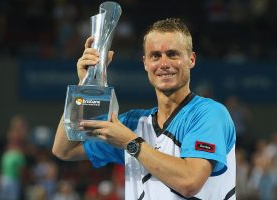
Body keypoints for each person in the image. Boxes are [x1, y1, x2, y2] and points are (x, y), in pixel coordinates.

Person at [52, 18, 236, 200]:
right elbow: (64, 149)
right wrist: (85, 86)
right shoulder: (133, 123)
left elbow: (190, 182)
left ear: (191, 59)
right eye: (155, 55)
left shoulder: (210, 114)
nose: (164, 64)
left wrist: (130, 143)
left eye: (172, 54)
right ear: (145, 63)